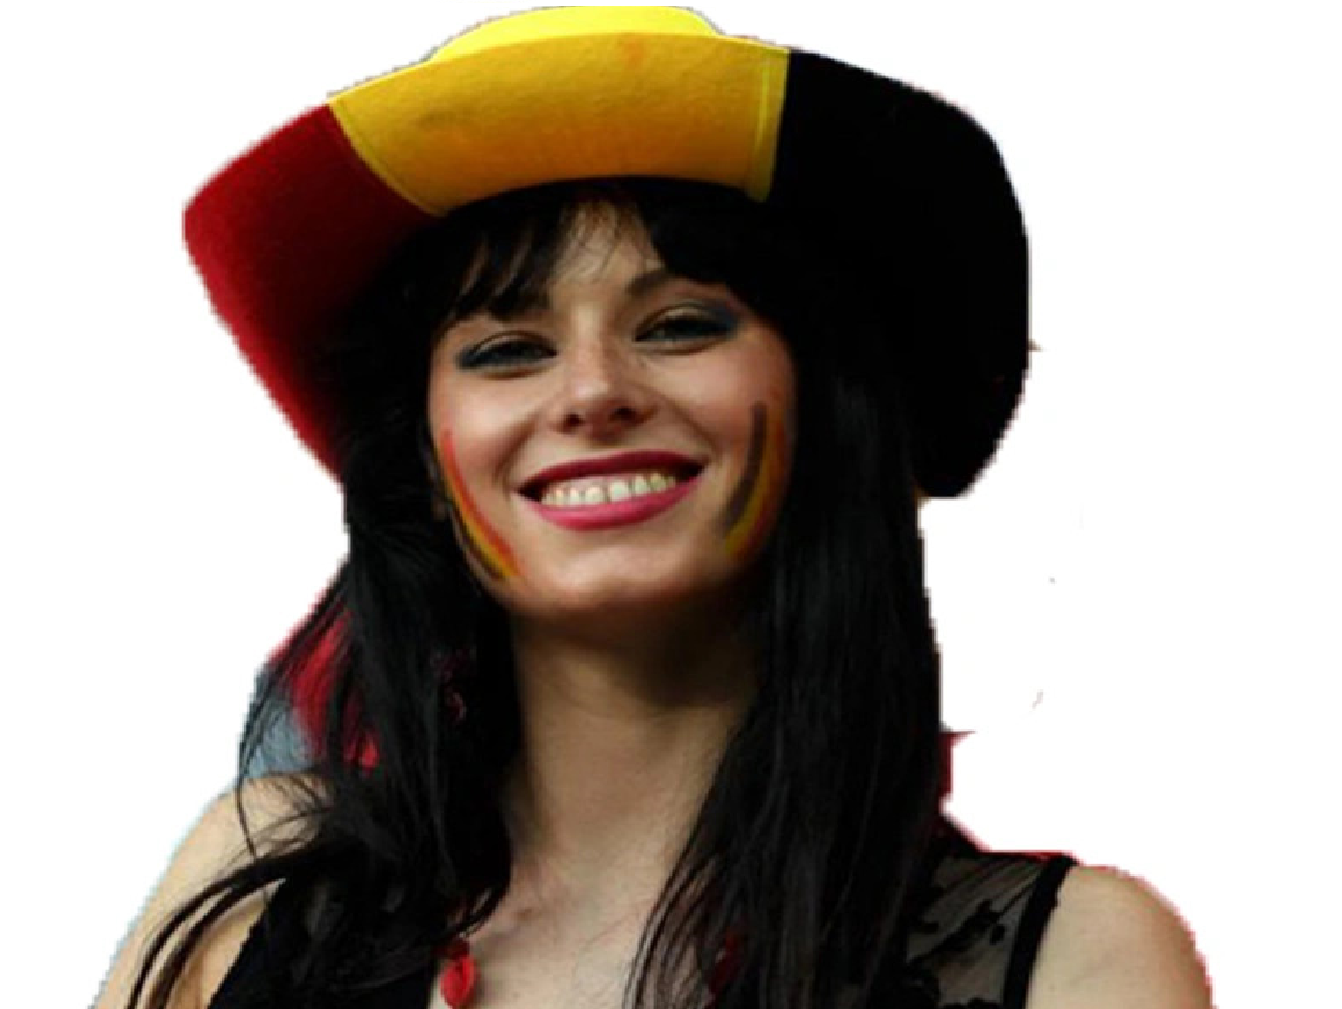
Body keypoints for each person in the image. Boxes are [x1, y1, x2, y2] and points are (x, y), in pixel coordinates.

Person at [95, 7, 1211, 1009]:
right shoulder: (251, 896)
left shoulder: (1073, 964)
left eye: (679, 325)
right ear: (425, 466)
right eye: (507, 348)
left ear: (824, 412)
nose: (592, 391)